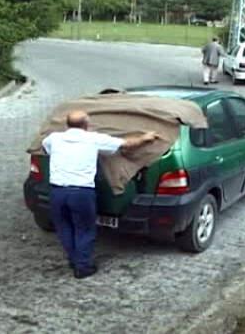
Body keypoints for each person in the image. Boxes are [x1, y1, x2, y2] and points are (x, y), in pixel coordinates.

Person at [41, 110, 158, 279]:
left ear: (67, 124)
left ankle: (74, 259)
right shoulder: (94, 139)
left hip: (57, 192)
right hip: (81, 193)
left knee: (65, 227)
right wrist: (145, 138)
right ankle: (83, 267)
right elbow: (126, 144)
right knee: (84, 229)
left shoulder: (54, 138)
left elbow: (45, 148)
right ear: (86, 125)